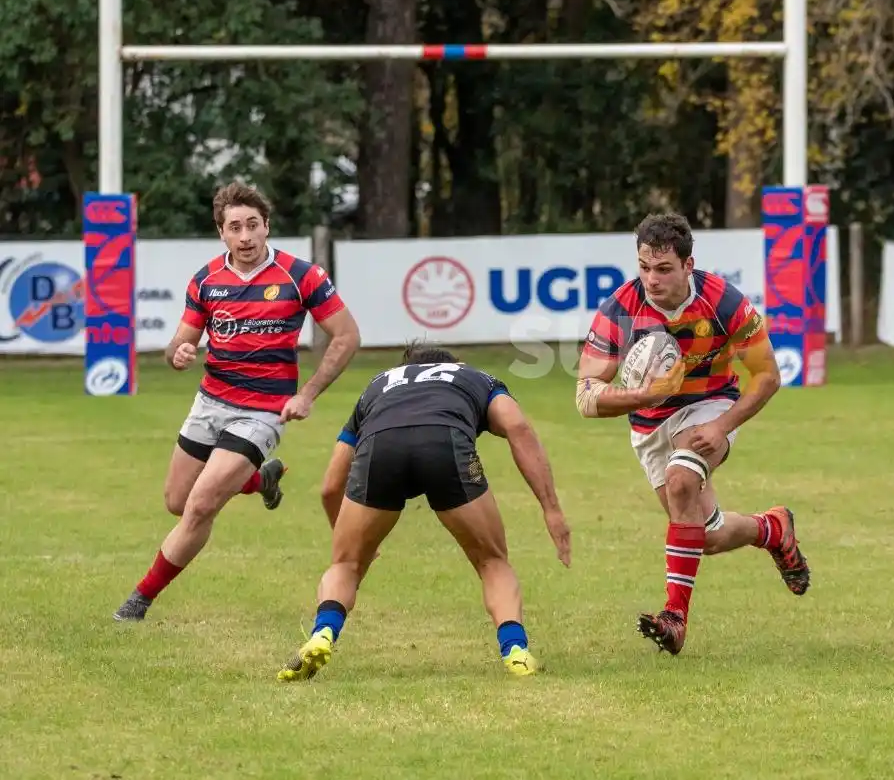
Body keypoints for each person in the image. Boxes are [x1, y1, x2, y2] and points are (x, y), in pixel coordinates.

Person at [113, 182, 361, 622]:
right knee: (177, 500)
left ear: (267, 227)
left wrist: (307, 394)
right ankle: (259, 480)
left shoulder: (301, 276)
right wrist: (178, 354)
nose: (245, 236)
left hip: (263, 411)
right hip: (210, 402)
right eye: (235, 228)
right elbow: (178, 344)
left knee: (201, 506)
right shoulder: (206, 280)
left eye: (252, 225)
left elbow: (346, 336)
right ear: (221, 233)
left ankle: (138, 601)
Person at [575, 211, 809, 656]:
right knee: (706, 536)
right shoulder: (621, 308)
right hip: (648, 422)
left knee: (682, 479)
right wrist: (642, 395)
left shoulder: (723, 302)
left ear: (688, 265)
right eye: (644, 267)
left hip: (710, 405)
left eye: (664, 269)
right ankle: (771, 529)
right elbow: (586, 396)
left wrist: (722, 426)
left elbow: (767, 376)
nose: (652, 279)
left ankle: (674, 617)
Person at [277, 342, 571, 681]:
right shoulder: (475, 376)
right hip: (445, 443)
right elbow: (518, 427)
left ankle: (322, 633)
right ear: (456, 363)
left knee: (345, 566)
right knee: (492, 561)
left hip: (380, 446)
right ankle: (515, 650)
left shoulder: (378, 384)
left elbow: (331, 486)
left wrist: (351, 544)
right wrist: (551, 509)